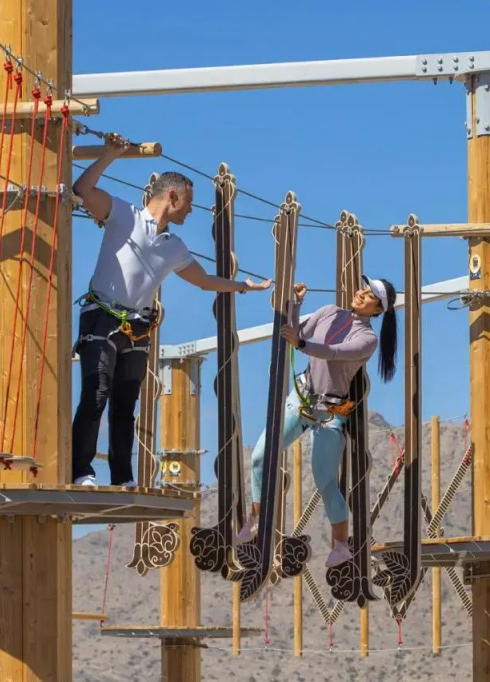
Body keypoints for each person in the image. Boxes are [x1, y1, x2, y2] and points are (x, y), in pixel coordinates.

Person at [71, 134, 271, 487]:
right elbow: (82, 190)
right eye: (189, 202)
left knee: (125, 405)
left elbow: (204, 281)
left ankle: (122, 477)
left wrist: (243, 286)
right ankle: (81, 470)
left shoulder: (174, 246)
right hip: (102, 317)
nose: (191, 210)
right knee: (96, 393)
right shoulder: (124, 215)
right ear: (172, 196)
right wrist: (110, 155)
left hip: (137, 327)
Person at [235, 276, 399, 567]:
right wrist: (297, 304)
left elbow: (334, 353)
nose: (361, 293)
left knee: (325, 480)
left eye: (370, 295)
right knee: (261, 456)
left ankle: (341, 545)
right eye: (363, 288)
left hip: (331, 411)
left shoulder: (368, 340)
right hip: (302, 398)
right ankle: (257, 518)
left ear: (377, 310)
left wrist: (300, 343)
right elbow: (295, 333)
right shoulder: (328, 311)